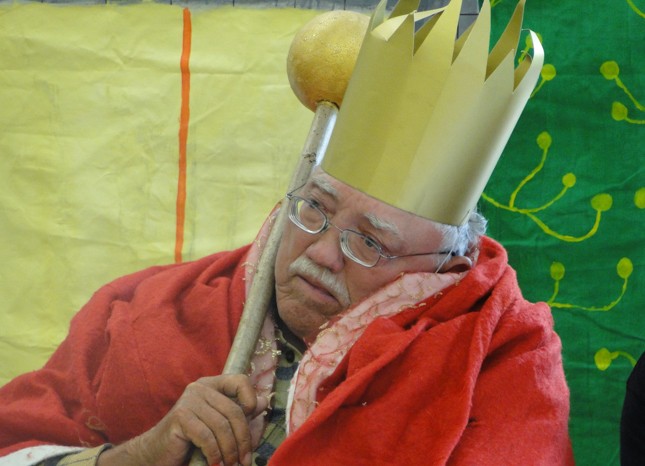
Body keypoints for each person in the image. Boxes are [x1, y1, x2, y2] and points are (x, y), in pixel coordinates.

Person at [0, 0, 575, 465]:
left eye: (368, 243)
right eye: (315, 210)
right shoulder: (147, 307)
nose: (321, 253)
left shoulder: (503, 359)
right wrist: (139, 457)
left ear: (442, 270)